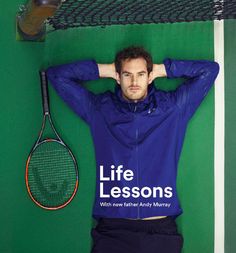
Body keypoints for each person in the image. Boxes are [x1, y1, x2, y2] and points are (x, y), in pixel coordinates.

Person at [46, 46, 219, 253]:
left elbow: (210, 71)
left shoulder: (174, 108)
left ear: (149, 76)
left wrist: (162, 69)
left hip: (160, 230)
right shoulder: (99, 109)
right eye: (127, 75)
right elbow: (57, 76)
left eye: (141, 74)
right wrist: (107, 70)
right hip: (113, 230)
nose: (135, 82)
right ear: (118, 78)